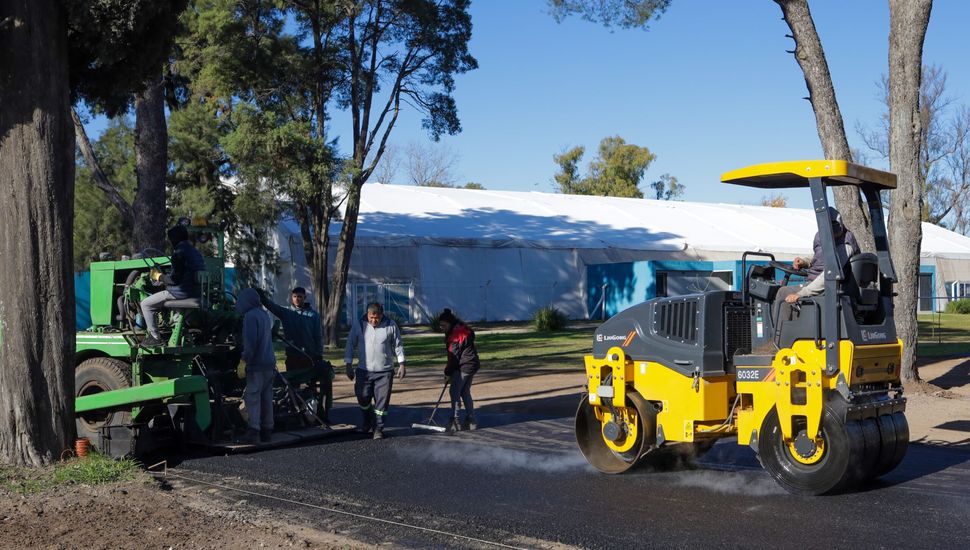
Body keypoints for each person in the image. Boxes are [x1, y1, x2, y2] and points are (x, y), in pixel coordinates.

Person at [261, 287, 333, 424]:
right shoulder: (286, 313)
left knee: (313, 388)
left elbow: (318, 337)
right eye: (295, 296)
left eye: (300, 296)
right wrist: (262, 298)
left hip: (310, 358)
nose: (297, 299)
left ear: (305, 298)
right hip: (293, 357)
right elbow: (272, 306)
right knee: (292, 387)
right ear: (291, 297)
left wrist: (318, 354)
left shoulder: (313, 315)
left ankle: (319, 413)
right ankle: (296, 415)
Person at [776, 207, 861, 321]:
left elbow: (829, 274)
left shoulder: (846, 244)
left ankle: (779, 337)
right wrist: (804, 261)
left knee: (783, 292)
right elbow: (820, 255)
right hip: (822, 283)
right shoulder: (825, 237)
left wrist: (802, 293)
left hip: (830, 287)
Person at [344, 302, 406, 440]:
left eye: (376, 318)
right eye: (371, 317)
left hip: (384, 372)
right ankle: (367, 419)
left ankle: (378, 428)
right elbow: (350, 344)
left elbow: (398, 345)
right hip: (363, 371)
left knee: (381, 404)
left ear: (381, 315)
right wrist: (348, 364)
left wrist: (402, 364)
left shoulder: (391, 325)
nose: (373, 321)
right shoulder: (359, 325)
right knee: (363, 398)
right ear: (367, 314)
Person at [140, 224, 206, 347]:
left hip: (181, 293)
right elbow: (182, 274)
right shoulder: (195, 252)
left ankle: (155, 338)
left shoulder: (179, 253)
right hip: (194, 291)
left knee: (145, 303)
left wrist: (158, 276)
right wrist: (165, 277)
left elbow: (174, 280)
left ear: (174, 240)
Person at [235, 288, 277, 444]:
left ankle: (253, 432)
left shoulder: (250, 316)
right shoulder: (264, 314)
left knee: (252, 397)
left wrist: (244, 360)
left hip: (256, 365)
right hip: (269, 363)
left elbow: (251, 343)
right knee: (267, 397)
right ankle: (267, 430)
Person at [438, 308, 480, 432]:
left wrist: (447, 373)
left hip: (465, 365)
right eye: (440, 325)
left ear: (450, 324)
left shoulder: (455, 335)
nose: (441, 328)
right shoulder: (462, 329)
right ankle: (471, 420)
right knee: (465, 391)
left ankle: (455, 421)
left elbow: (453, 357)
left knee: (454, 391)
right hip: (472, 364)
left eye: (443, 325)